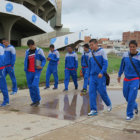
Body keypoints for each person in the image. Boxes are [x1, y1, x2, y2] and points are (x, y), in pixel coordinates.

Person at [88, 39, 112, 116]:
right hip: (92, 76)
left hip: (100, 76)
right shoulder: (90, 54)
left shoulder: (102, 52)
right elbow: (89, 66)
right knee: (91, 93)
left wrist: (102, 72)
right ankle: (93, 110)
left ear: (96, 44)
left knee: (102, 92)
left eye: (92, 45)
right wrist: (88, 75)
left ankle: (108, 104)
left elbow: (105, 63)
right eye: (90, 45)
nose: (91, 46)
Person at [118, 40, 140, 121]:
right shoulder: (125, 55)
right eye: (130, 47)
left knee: (131, 98)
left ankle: (129, 115)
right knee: (126, 96)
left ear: (136, 47)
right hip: (126, 79)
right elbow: (122, 66)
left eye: (133, 47)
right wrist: (119, 75)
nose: (132, 48)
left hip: (135, 79)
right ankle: (135, 106)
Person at [24, 39, 46, 107]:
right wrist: (25, 68)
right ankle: (34, 101)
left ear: (34, 44)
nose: (31, 47)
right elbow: (26, 60)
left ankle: (38, 100)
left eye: (32, 46)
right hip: (29, 72)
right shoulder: (27, 51)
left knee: (34, 85)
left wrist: (41, 66)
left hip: (36, 71)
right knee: (30, 86)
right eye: (29, 46)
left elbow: (44, 59)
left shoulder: (39, 50)